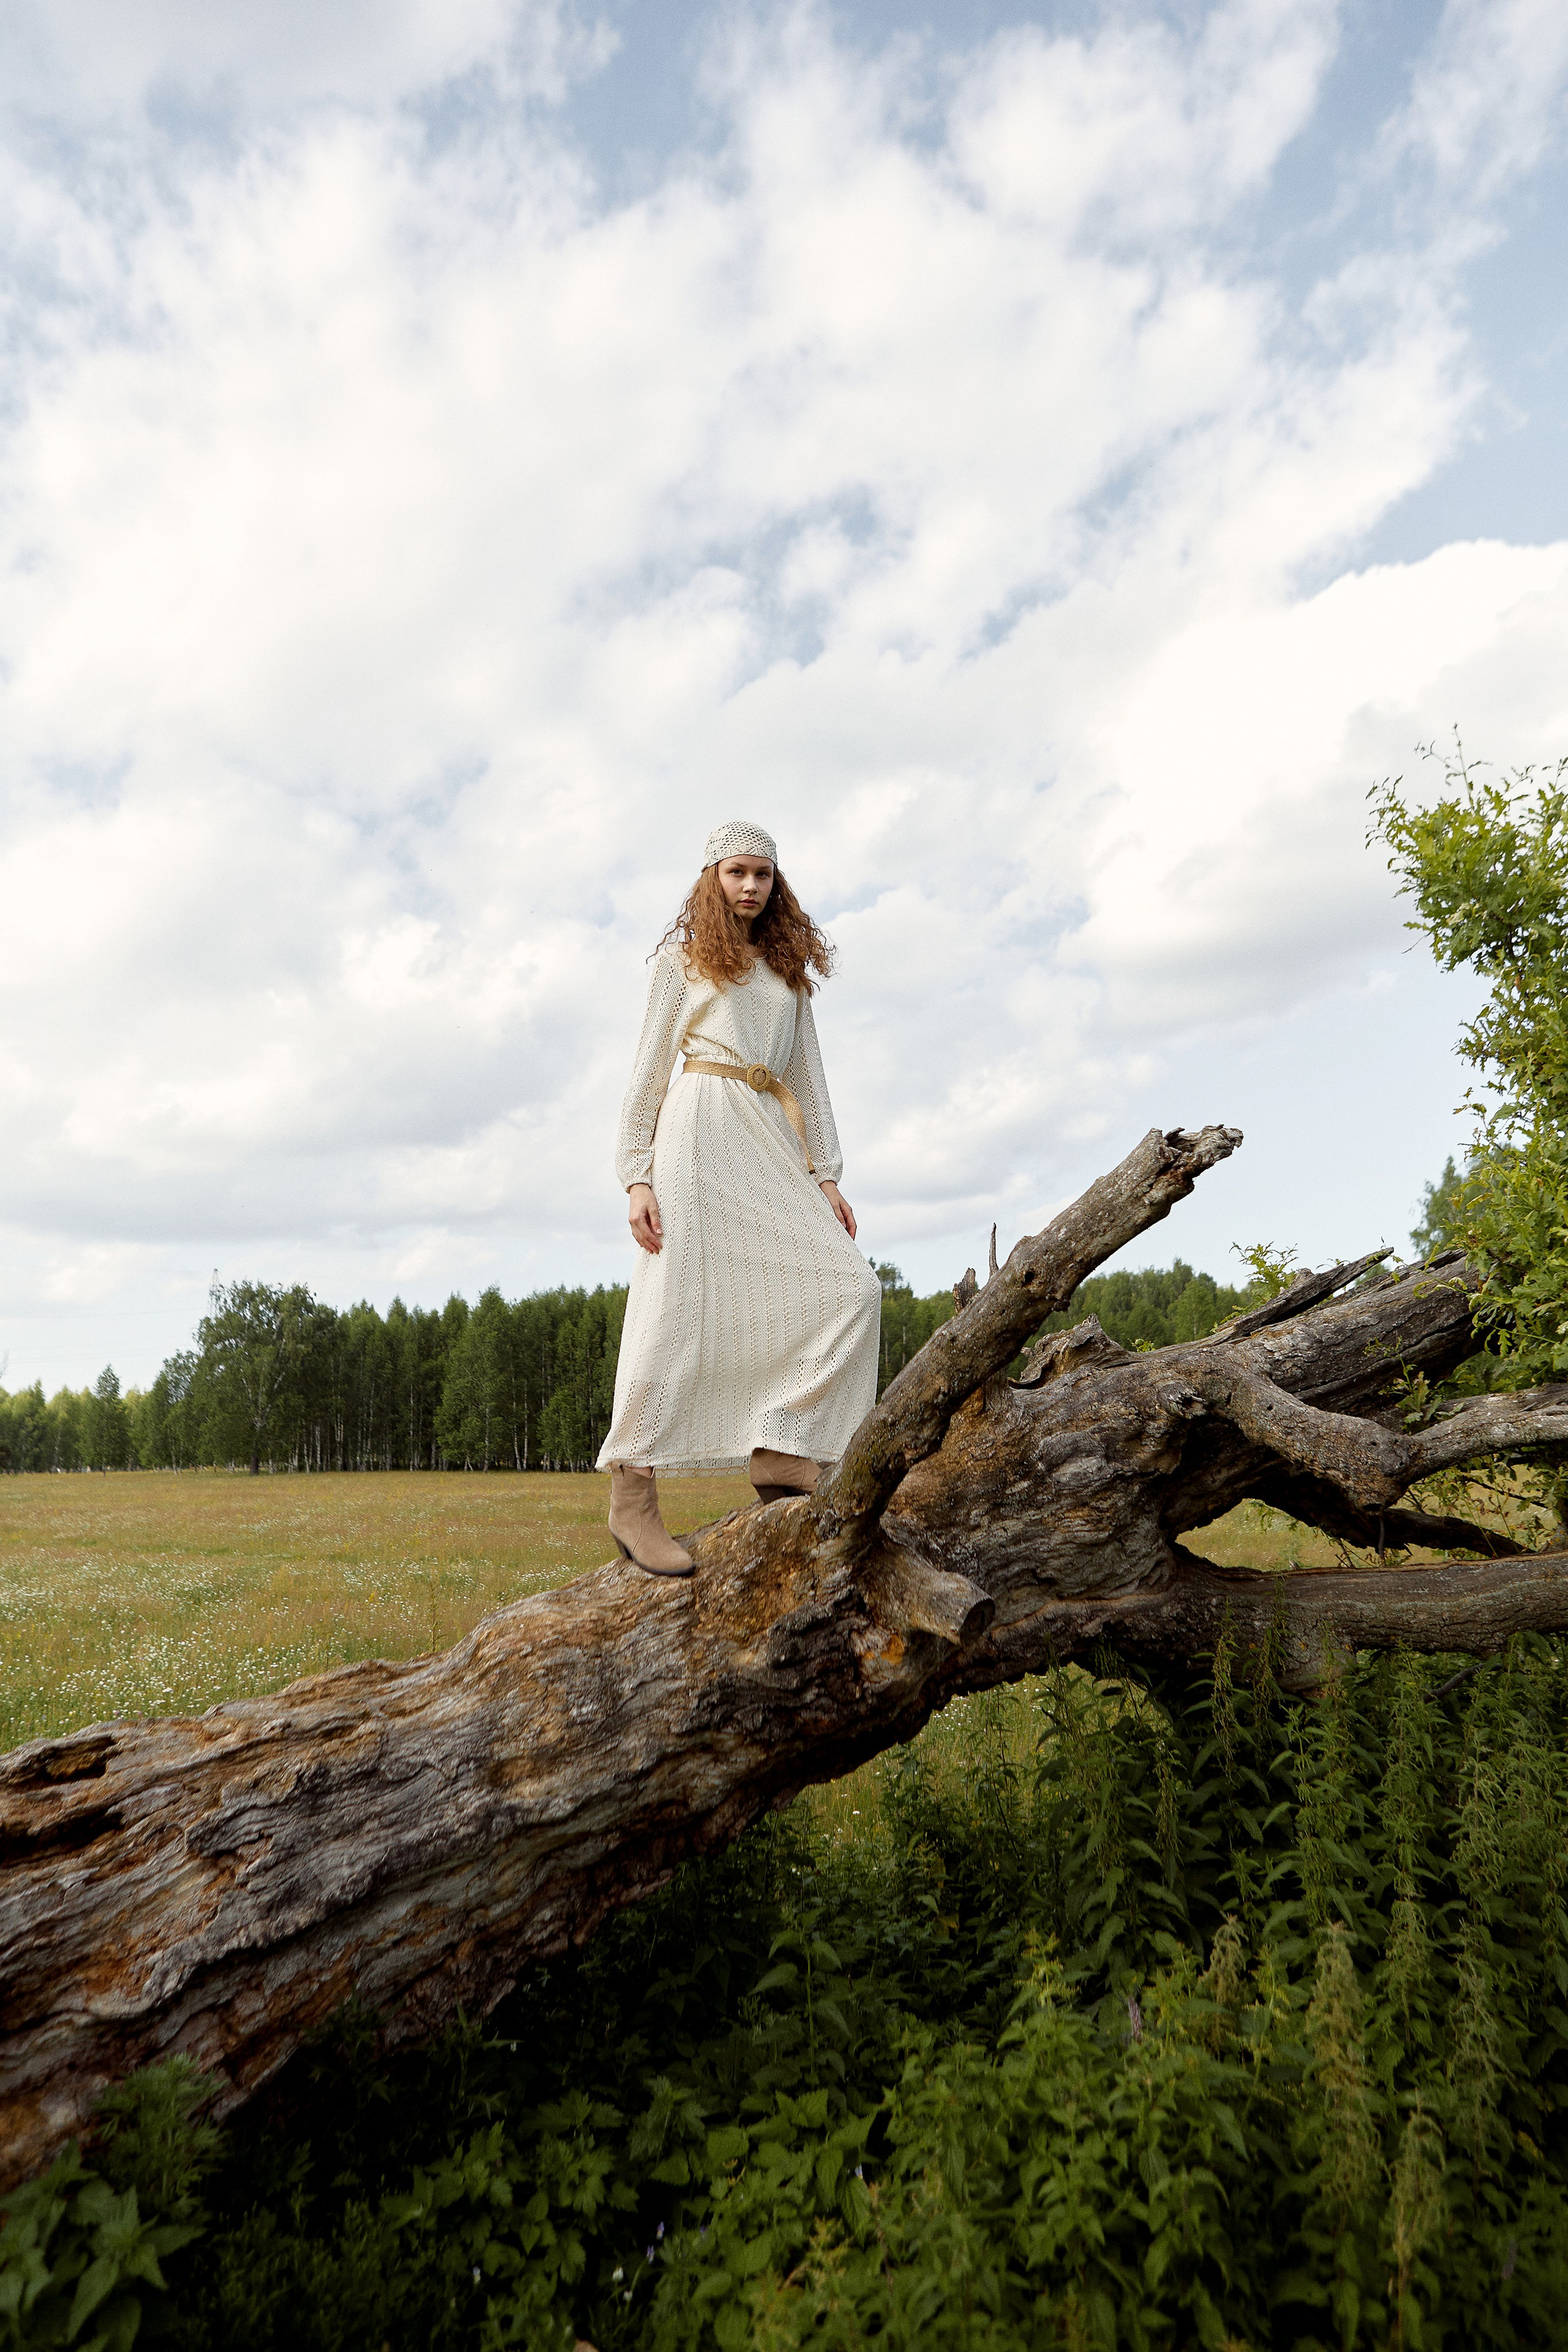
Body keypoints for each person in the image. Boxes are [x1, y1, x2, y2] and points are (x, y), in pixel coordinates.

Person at [596, 820, 881, 1575]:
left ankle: (786, 1449)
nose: (750, 885)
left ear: (776, 884)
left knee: (851, 1288)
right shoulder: (682, 964)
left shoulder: (788, 976)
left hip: (768, 1134)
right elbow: (649, 1072)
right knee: (675, 1306)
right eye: (736, 873)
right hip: (697, 1128)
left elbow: (810, 1079)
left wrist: (826, 1173)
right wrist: (636, 1174)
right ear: (711, 879)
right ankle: (633, 1494)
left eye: (763, 874)